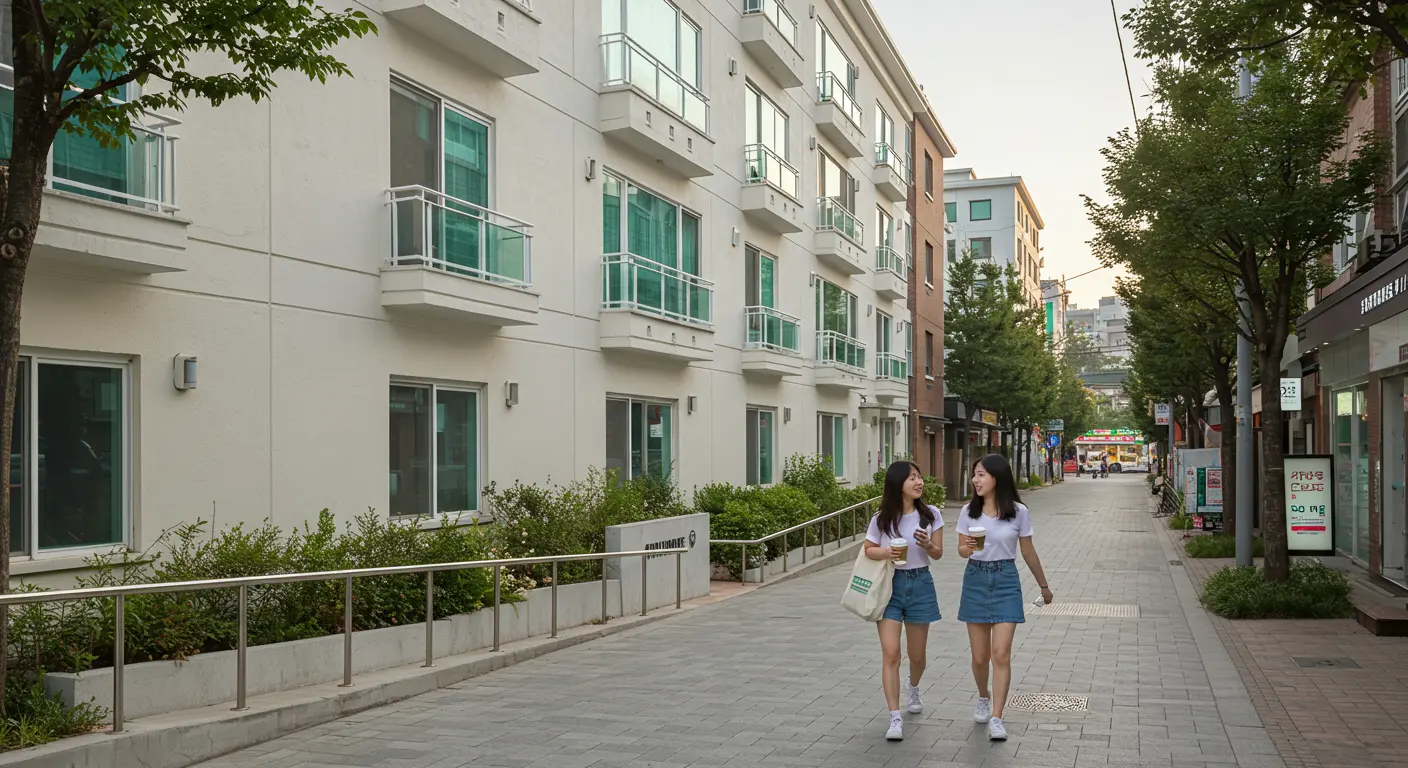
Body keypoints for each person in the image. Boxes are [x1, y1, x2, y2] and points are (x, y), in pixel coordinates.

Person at [956, 454, 1053, 742]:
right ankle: (983, 696)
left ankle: (997, 717)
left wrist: (1044, 586)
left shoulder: (1019, 512)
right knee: (979, 656)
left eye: (982, 474)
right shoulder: (967, 512)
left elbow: (1028, 551)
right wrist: (968, 548)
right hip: (975, 578)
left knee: (1000, 653)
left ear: (997, 477)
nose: (976, 479)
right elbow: (961, 550)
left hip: (1006, 580)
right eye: (975, 474)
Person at [862, 461, 944, 742]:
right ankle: (894, 716)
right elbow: (868, 550)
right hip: (891, 587)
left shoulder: (931, 515)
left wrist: (927, 545)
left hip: (920, 583)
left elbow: (938, 554)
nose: (919, 482)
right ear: (898, 484)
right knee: (892, 654)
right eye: (913, 478)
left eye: (920, 477)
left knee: (917, 657)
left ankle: (914, 686)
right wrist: (887, 552)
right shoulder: (882, 518)